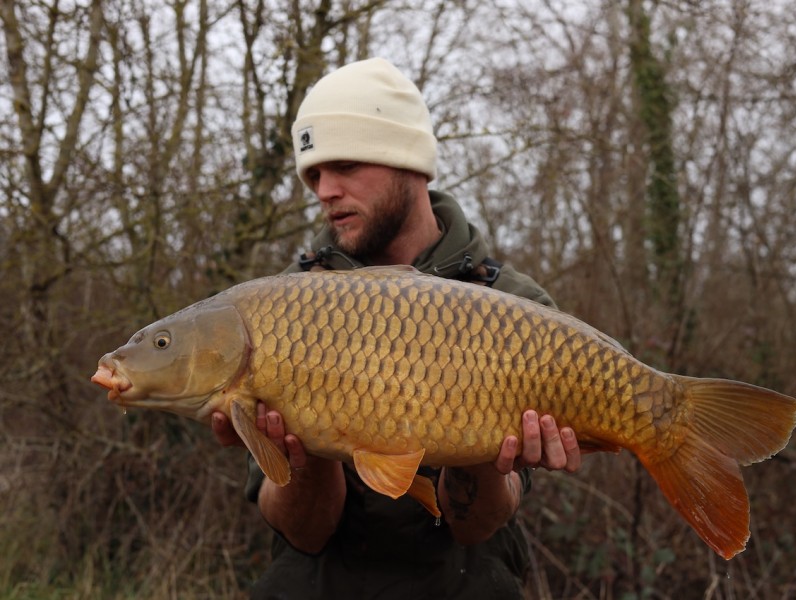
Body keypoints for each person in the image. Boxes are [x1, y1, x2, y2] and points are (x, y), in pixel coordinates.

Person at [211, 58, 582, 600]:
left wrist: (483, 438)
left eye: (344, 165)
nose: (325, 190)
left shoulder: (515, 307)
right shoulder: (278, 307)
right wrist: (304, 442)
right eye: (313, 175)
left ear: (407, 160)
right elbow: (304, 533)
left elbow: (477, 527)